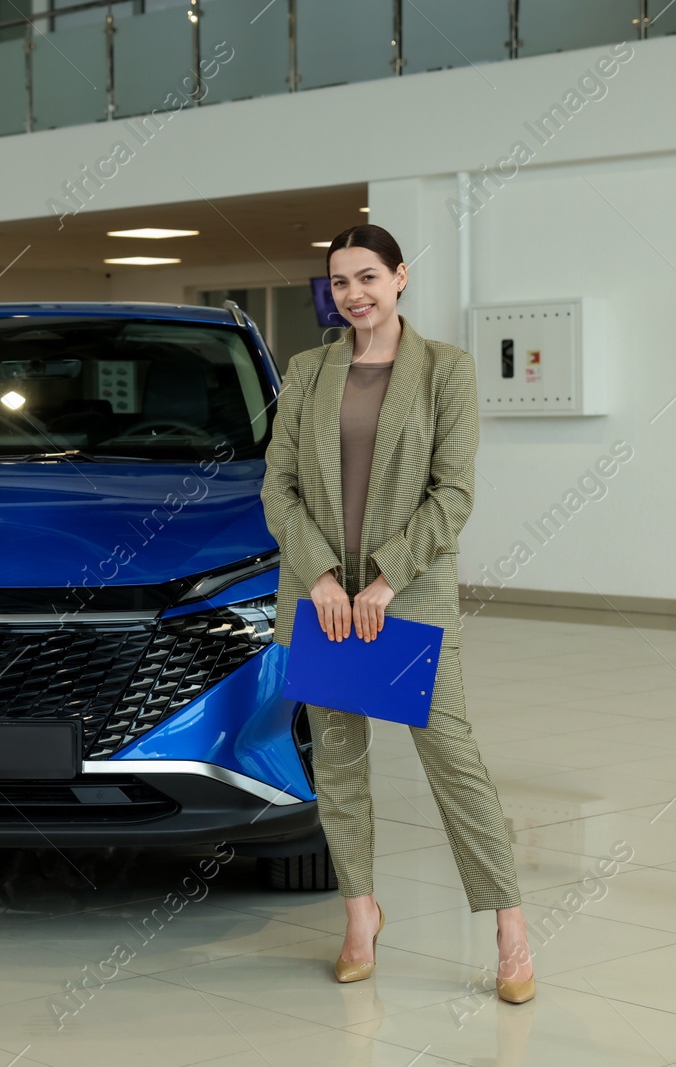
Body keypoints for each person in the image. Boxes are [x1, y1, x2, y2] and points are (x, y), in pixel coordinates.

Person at [259, 223, 534, 1000]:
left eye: (368, 277)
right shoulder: (308, 371)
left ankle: (510, 926)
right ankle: (360, 912)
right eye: (340, 281)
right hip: (324, 603)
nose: (354, 294)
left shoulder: (448, 369)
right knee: (339, 765)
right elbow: (277, 487)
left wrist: (383, 578)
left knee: (453, 760)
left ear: (401, 277)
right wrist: (318, 574)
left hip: (403, 601)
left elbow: (455, 494)